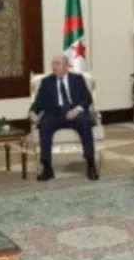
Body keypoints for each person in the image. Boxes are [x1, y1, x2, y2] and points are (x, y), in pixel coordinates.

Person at [30, 53, 99, 181]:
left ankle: (90, 164)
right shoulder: (46, 82)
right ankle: (47, 168)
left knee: (85, 121)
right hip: (55, 114)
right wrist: (32, 113)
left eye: (57, 64)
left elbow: (87, 99)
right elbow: (38, 103)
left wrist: (77, 110)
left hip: (75, 112)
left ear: (66, 66)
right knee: (45, 123)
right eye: (53, 64)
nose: (54, 67)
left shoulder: (78, 79)